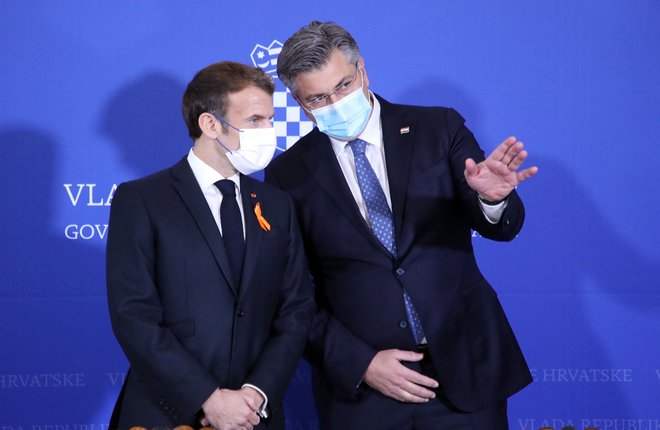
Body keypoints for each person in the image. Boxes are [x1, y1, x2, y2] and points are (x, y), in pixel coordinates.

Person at [265, 21, 538, 429]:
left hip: (464, 373)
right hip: (364, 392)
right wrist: (361, 363)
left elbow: (502, 228)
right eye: (319, 97)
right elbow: (293, 293)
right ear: (300, 102)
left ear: (363, 71)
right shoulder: (288, 174)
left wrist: (492, 199)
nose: (336, 102)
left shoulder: (438, 128)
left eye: (343, 85)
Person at [106, 61, 314, 429]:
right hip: (167, 413)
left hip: (255, 416)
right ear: (210, 124)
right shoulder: (141, 200)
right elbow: (134, 316)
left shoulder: (277, 205)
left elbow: (295, 310)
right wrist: (208, 398)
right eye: (254, 121)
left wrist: (256, 393)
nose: (268, 132)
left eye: (269, 119)